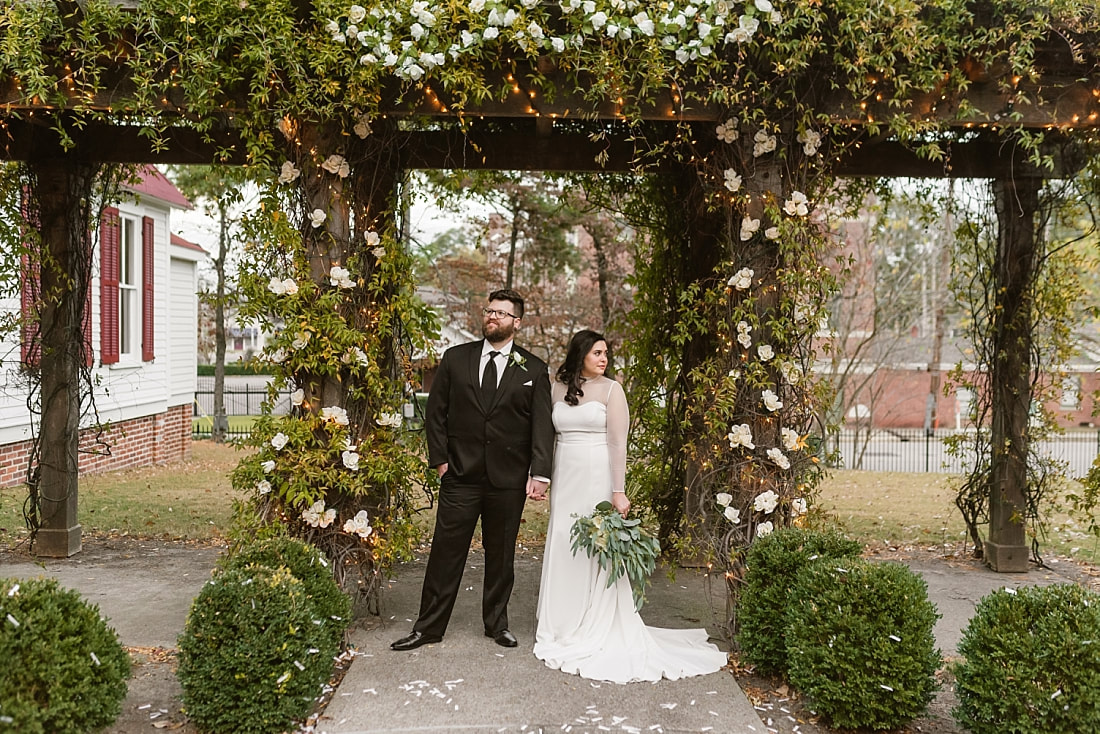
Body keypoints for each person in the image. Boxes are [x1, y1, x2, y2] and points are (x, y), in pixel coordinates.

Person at [533, 329, 727, 683]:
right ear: (580, 355)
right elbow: (546, 435)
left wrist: (618, 491)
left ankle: (596, 620)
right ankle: (562, 622)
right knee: (564, 541)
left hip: (596, 475)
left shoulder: (612, 390)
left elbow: (617, 444)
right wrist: (542, 475)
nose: (603, 358)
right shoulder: (556, 388)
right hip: (566, 474)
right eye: (596, 353)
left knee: (596, 546)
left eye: (606, 352)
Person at [391, 289, 554, 651]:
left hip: (507, 481)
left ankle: (497, 624)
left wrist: (540, 473)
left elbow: (542, 425)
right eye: (489, 310)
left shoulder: (534, 369)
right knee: (445, 553)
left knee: (501, 554)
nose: (492, 316)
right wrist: (440, 461)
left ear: (517, 322)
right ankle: (428, 627)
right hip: (460, 476)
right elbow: (436, 414)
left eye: (501, 313)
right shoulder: (455, 359)